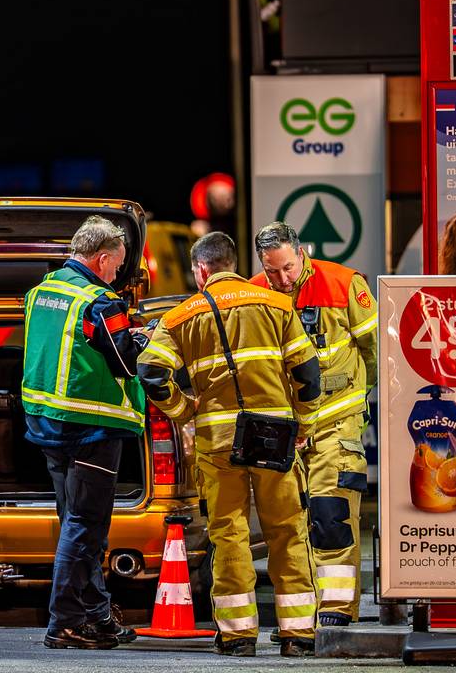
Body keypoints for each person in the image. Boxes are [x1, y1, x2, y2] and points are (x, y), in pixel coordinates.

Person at [137, 232, 321, 658]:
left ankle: (238, 636)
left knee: (228, 534)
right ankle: (298, 635)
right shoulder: (277, 305)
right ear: (235, 263)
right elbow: (308, 373)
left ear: (201, 270)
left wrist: (183, 409)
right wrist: (304, 424)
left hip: (218, 442)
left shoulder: (182, 316)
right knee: (287, 532)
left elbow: (149, 372)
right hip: (275, 437)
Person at [21, 215, 148, 650]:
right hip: (92, 427)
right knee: (86, 524)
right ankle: (64, 622)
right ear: (101, 258)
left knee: (77, 524)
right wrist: (141, 340)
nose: (117, 275)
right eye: (117, 266)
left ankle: (96, 614)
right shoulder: (100, 301)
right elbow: (126, 361)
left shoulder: (41, 293)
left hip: (46, 423)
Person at [251, 221, 375, 629]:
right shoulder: (254, 294)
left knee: (330, 515)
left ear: (300, 253)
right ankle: (301, 619)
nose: (283, 279)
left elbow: (375, 353)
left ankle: (337, 610)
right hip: (284, 427)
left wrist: (357, 400)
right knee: (288, 524)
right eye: (273, 271)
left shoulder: (343, 284)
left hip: (335, 422)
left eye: (287, 268)